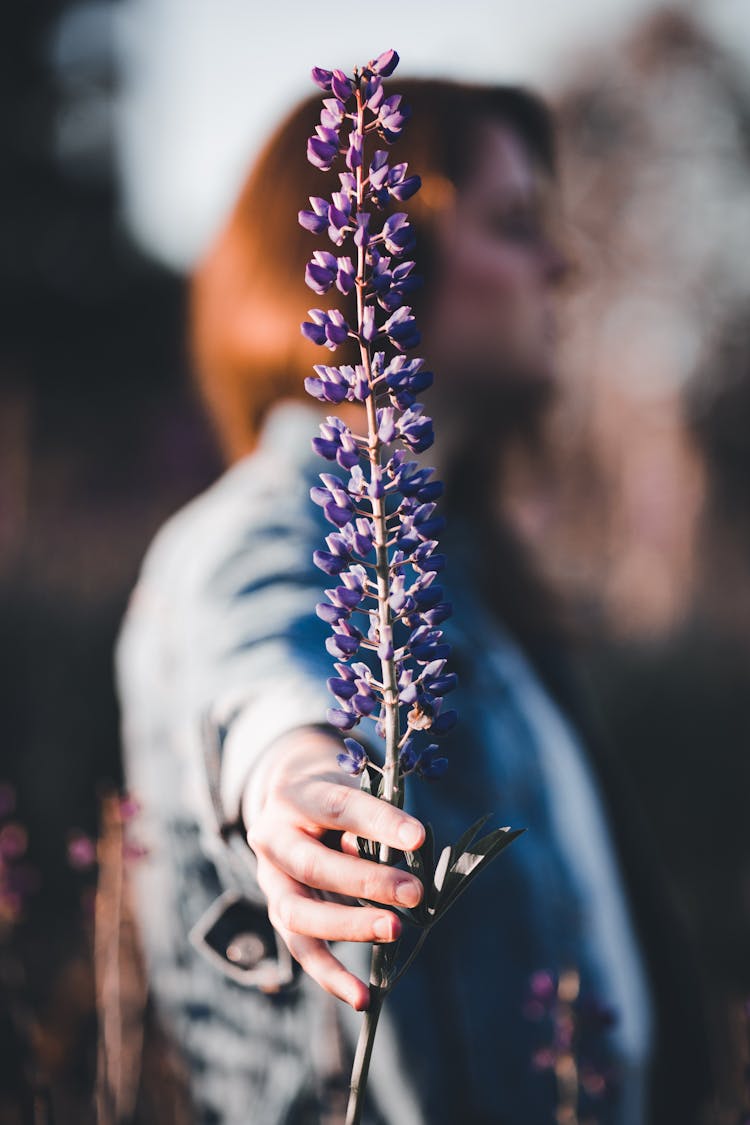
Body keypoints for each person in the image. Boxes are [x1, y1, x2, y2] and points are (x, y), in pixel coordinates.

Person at [116, 79, 711, 1125]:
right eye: (516, 225)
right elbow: (256, 651)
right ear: (388, 259)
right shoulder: (262, 523)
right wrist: (290, 779)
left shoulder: (463, 567)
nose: (561, 266)